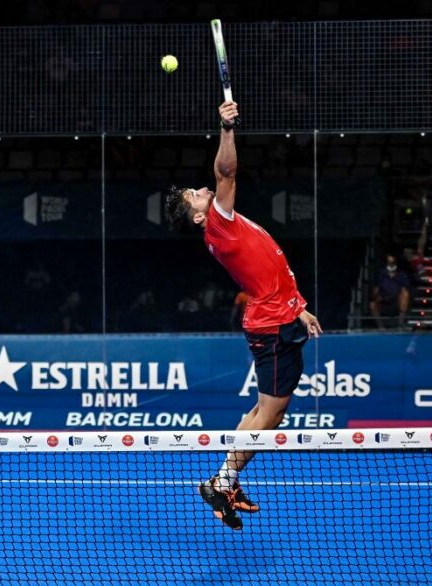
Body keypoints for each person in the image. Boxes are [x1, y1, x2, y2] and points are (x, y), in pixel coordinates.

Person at [164, 100, 322, 530]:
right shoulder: (218, 221)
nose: (201, 190)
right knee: (269, 416)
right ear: (198, 215)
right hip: (272, 328)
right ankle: (222, 481)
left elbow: (267, 268)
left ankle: (225, 480)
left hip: (279, 318)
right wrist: (226, 128)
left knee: (265, 412)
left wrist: (301, 306)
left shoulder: (223, 224)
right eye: (193, 196)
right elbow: (226, 172)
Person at [369, 253, 411, 329]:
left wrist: (392, 296)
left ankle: (400, 324)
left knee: (405, 294)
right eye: (389, 263)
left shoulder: (402, 275)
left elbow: (404, 290)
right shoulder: (381, 275)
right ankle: (381, 327)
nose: (391, 265)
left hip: (396, 302)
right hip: (384, 302)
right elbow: (375, 291)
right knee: (372, 304)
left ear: (396, 263)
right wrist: (378, 298)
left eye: (393, 263)